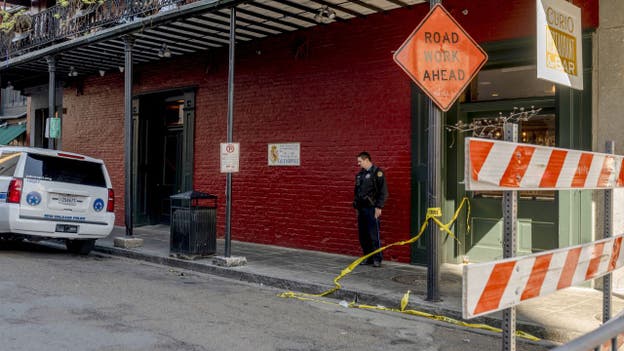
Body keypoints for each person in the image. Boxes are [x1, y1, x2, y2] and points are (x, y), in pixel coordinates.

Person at [353, 151, 388, 267]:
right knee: (363, 235)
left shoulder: (377, 173)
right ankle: (368, 257)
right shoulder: (360, 175)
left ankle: (377, 259)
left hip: (372, 208)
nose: (358, 164)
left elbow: (383, 191)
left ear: (367, 160)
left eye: (360, 161)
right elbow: (357, 192)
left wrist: (379, 206)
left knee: (374, 234)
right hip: (361, 209)